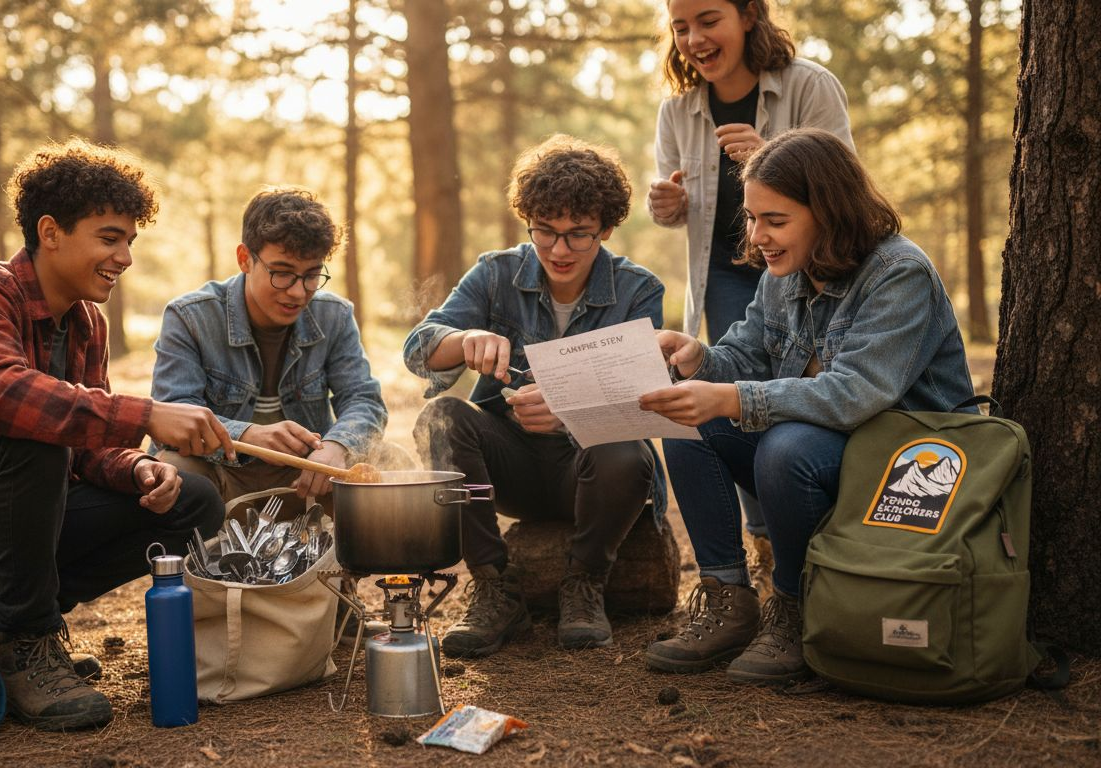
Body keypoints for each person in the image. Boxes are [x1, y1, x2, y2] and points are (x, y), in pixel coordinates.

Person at [0, 138, 234, 731]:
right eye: (110, 238)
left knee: (195, 501)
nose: (125, 258)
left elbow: (88, 450)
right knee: (27, 429)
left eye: (130, 242)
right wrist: (144, 415)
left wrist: (138, 467)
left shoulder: (87, 324)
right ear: (51, 232)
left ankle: (11, 627)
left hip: (16, 526)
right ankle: (30, 640)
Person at [640, 128, 974, 684]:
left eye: (775, 220)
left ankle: (795, 611)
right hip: (831, 449)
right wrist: (700, 359)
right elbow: (743, 354)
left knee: (785, 447)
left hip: (908, 464)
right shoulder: (784, 272)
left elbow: (853, 394)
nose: (758, 236)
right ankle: (728, 600)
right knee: (686, 422)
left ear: (829, 211)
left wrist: (728, 397)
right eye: (751, 218)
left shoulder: (899, 273)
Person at [405, 135, 669, 657]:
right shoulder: (496, 272)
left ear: (608, 228)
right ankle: (493, 587)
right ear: (528, 219)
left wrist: (570, 414)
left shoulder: (639, 290)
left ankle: (585, 584)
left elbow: (643, 400)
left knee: (621, 447)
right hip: (513, 467)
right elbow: (418, 350)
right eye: (545, 231)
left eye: (578, 235)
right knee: (442, 417)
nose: (559, 250)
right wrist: (461, 341)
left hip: (591, 467)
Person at [646, 0, 855, 586]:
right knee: (727, 391)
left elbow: (843, 181)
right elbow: (676, 204)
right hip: (726, 270)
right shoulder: (678, 110)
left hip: (805, 268)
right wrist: (667, 207)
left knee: (773, 397)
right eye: (681, 27)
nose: (694, 38)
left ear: (748, 16)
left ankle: (793, 549)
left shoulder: (809, 86)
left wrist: (772, 155)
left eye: (708, 20)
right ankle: (755, 555)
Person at [151, 187, 389, 510]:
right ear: (244, 259)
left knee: (389, 461)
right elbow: (172, 419)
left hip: (304, 479)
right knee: (175, 469)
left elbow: (365, 401)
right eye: (282, 274)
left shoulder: (335, 315)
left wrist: (337, 445)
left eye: (312, 275)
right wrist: (249, 436)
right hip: (221, 478)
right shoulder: (190, 317)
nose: (298, 292)